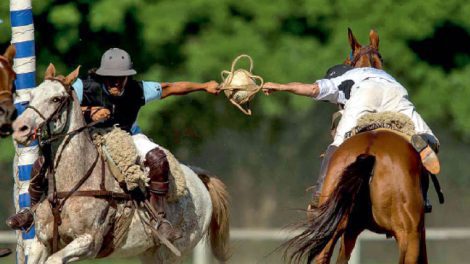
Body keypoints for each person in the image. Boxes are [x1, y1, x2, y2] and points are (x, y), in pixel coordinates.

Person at [6, 48, 220, 242]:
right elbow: (61, 103)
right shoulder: (83, 86)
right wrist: (89, 111)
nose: (115, 83)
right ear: (101, 75)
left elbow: (171, 87)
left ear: (128, 77)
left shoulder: (139, 89)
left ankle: (160, 218)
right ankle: (30, 211)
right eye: (110, 79)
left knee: (157, 158)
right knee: (43, 161)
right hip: (87, 135)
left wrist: (204, 86)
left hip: (128, 136)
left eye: (120, 79)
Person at [263, 64, 440, 212]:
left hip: (365, 93)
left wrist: (281, 87)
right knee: (427, 136)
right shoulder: (376, 72)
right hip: (396, 91)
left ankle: (320, 194)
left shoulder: (338, 80)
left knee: (339, 143)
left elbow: (312, 89)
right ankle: (422, 193)